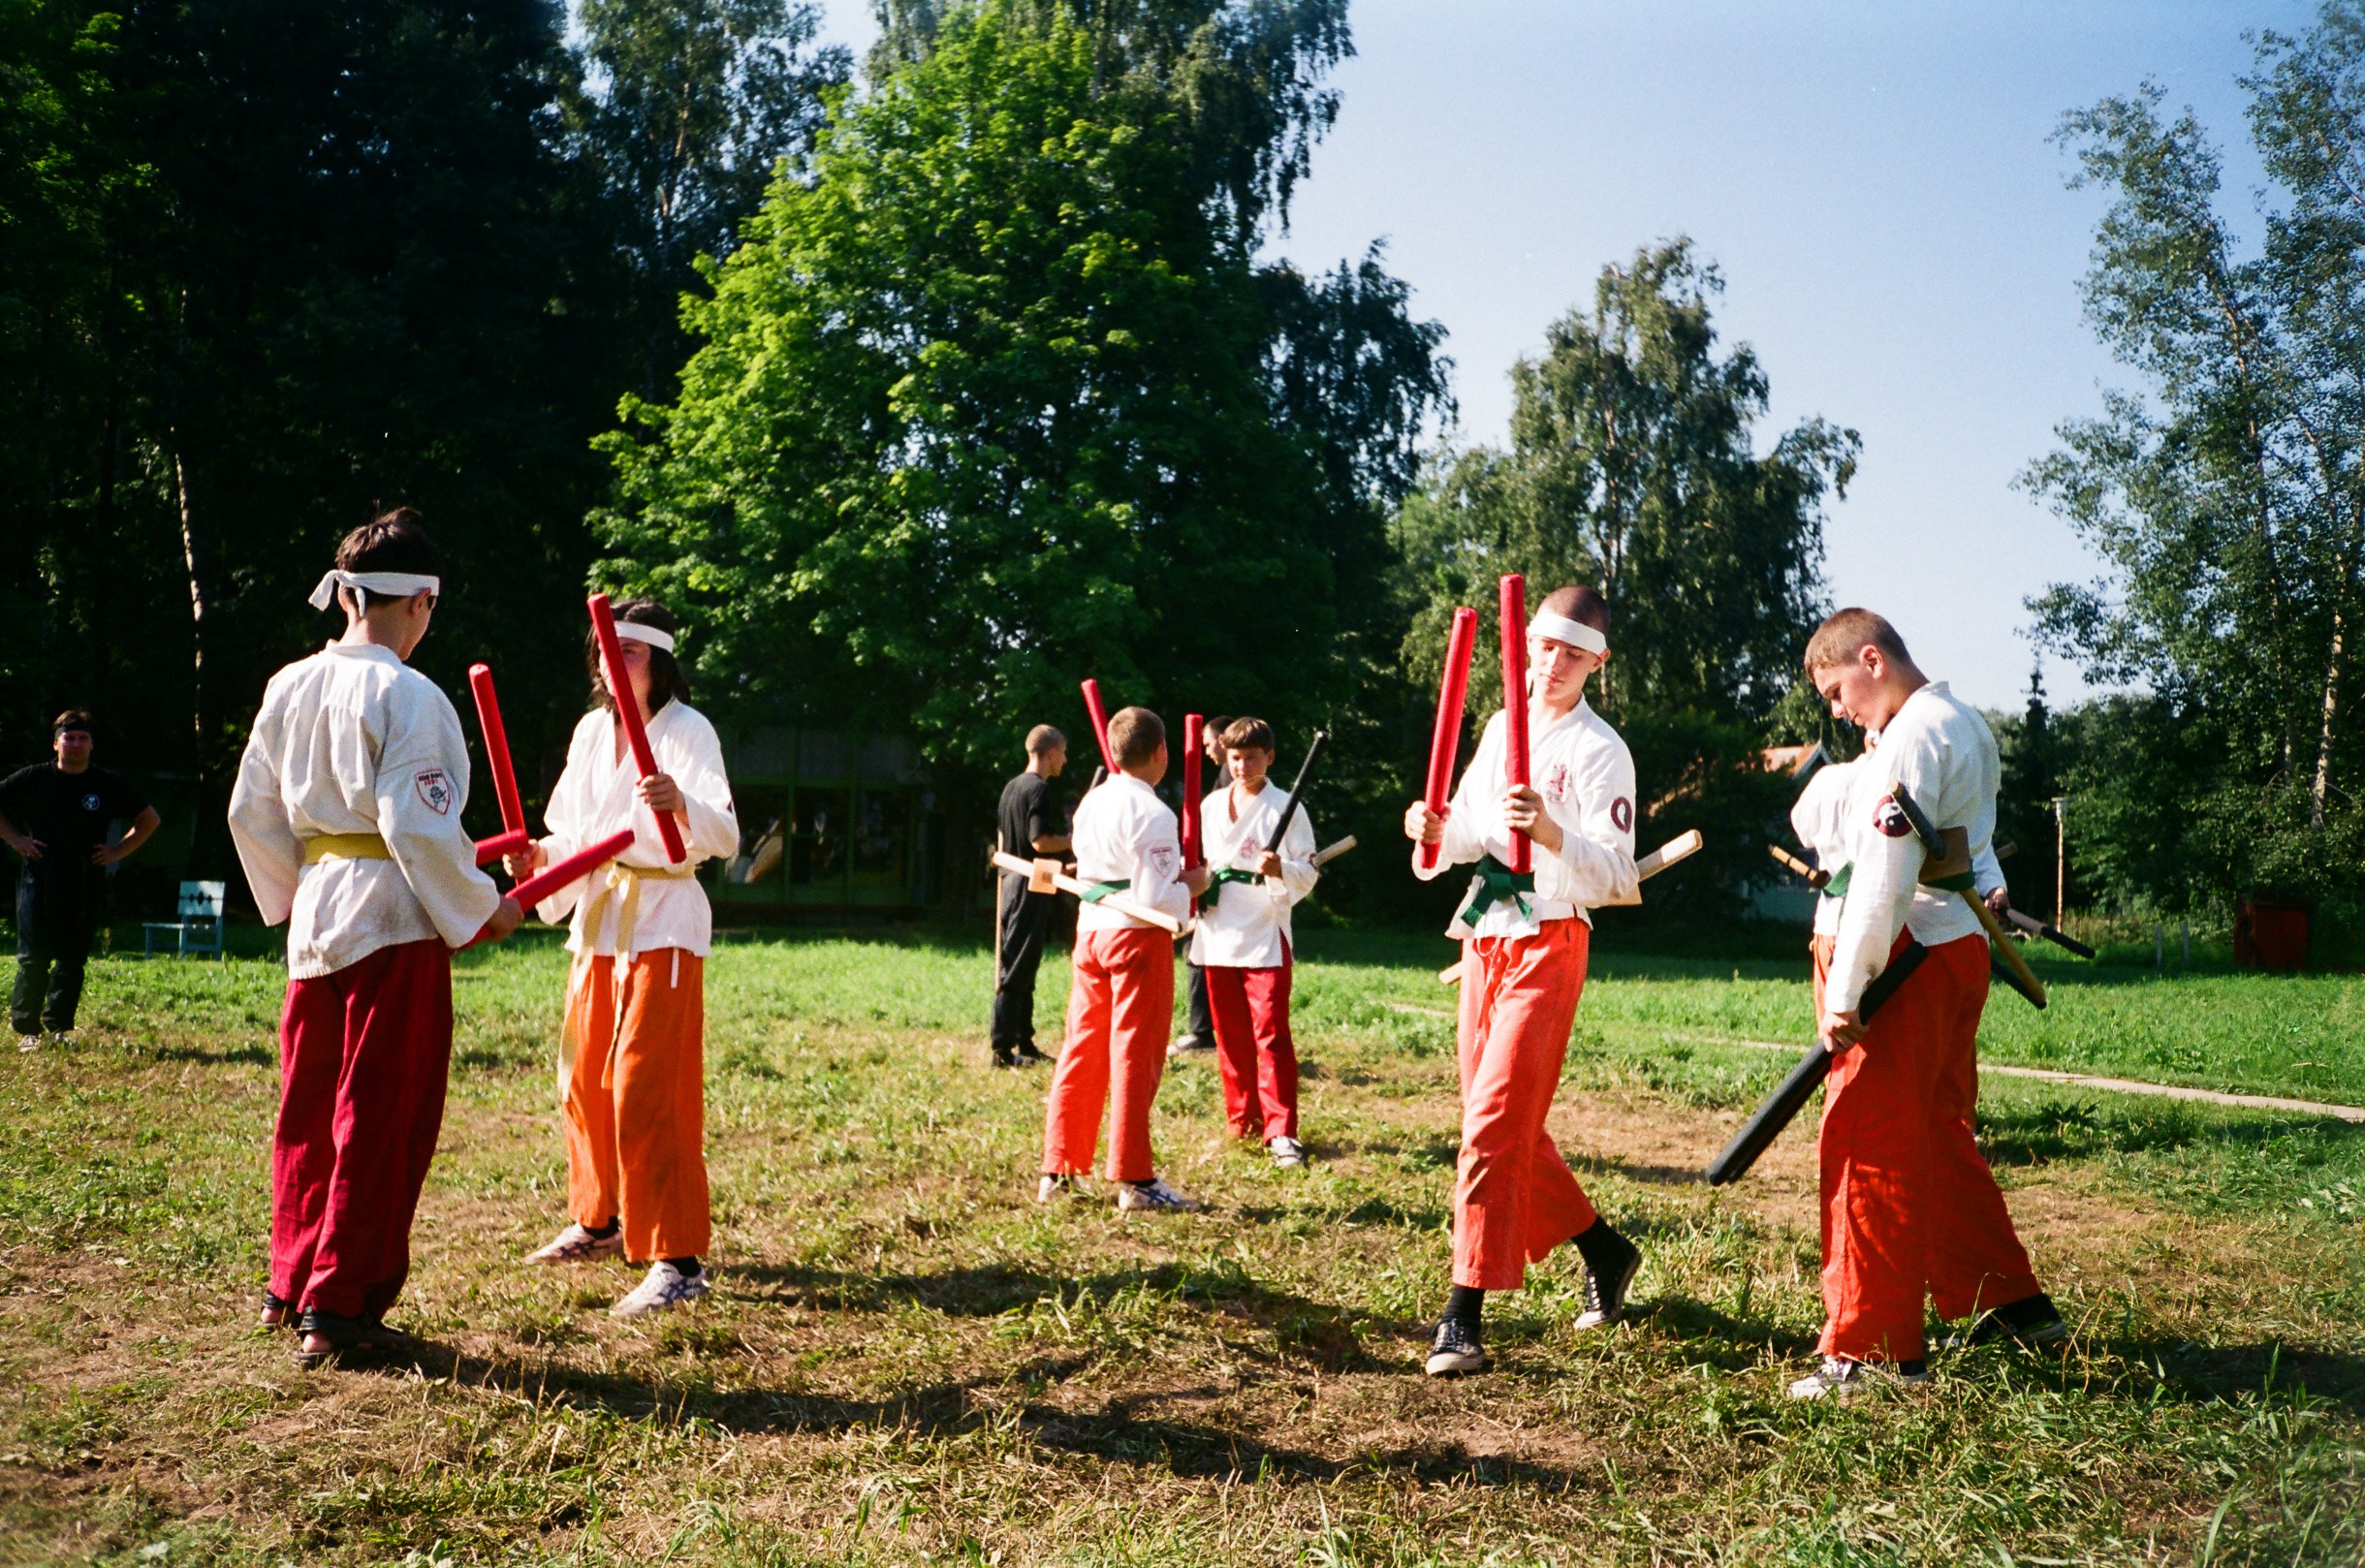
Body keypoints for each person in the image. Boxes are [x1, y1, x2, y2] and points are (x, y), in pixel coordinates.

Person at [227, 509, 523, 1364]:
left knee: (310, 1107)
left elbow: (251, 811)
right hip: (392, 920)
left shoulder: (288, 684)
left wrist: (294, 897)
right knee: (377, 1114)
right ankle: (341, 1303)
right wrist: (483, 908)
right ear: (422, 602)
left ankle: (292, 1281)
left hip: (319, 915)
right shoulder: (409, 694)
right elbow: (418, 827)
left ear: (349, 595)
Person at [1790, 608, 2065, 1400]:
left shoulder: (1913, 732)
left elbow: (1885, 869)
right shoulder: (1965, 722)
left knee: (1866, 1139)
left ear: (1871, 659)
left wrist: (1847, 988)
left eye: (1838, 689)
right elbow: (1970, 845)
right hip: (1955, 950)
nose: (1837, 711)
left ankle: (1871, 1351)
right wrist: (1986, 887)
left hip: (1901, 954)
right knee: (1938, 1136)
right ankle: (2004, 1301)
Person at [1403, 585, 1644, 1377]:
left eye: (1574, 653)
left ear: (1597, 663)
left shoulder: (1602, 750)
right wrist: (1432, 829)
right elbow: (1468, 834)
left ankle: (1464, 1312)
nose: (1554, 663)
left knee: (1494, 1125)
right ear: (1527, 646)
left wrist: (1549, 828)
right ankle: (1606, 1252)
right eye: (1545, 647)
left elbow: (1615, 875)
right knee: (1501, 1124)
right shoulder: (1503, 726)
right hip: (1485, 938)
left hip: (1552, 937)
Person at [511, 599, 739, 1318]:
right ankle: (599, 1220)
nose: (615, 663)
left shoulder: (689, 731)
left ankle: (677, 1258)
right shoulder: (589, 731)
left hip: (663, 922)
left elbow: (725, 833)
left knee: (648, 1086)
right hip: (599, 925)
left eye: (631, 651)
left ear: (659, 662)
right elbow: (570, 833)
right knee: (582, 1076)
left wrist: (680, 806)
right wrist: (536, 859)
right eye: (605, 652)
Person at [1038, 706, 1210, 1211]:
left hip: (1090, 933)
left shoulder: (1090, 802)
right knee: (1135, 1054)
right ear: (1160, 752)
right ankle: (1135, 1179)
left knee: (1082, 1049)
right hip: (1136, 936)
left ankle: (1059, 1169)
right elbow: (1155, 897)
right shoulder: (1155, 813)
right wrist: (1193, 884)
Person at [1188, 717, 1318, 1167]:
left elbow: (1310, 869)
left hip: (1264, 925)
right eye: (1236, 758)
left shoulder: (1287, 807)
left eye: (1253, 758)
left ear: (1270, 758)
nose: (1243, 767)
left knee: (1270, 1031)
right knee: (1229, 1031)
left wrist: (1281, 868)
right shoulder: (1208, 805)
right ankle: (1242, 1119)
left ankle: (1282, 1130)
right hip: (1219, 926)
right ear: (1226, 756)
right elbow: (1200, 862)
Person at [0, 712, 161, 1044]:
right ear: (56, 742)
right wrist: (16, 840)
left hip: (85, 877)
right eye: (68, 738)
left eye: (82, 738)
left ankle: (58, 1027)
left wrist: (118, 851)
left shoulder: (106, 783)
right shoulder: (33, 778)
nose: (75, 744)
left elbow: (149, 819)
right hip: (39, 876)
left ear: (91, 744)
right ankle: (28, 1030)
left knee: (72, 958)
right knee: (34, 957)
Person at [991, 724, 1070, 1069]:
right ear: (1050, 753)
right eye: (1063, 753)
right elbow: (1039, 842)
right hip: (1029, 884)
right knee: (1019, 967)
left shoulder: (1012, 787)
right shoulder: (1039, 789)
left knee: (1024, 963)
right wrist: (1073, 838)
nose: (1065, 761)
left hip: (1012, 883)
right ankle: (1003, 1050)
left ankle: (1024, 1040)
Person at [1170, 715, 1231, 1057]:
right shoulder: (1227, 779)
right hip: (1211, 874)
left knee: (1197, 953)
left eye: (1207, 744)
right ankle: (1209, 1029)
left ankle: (1203, 1031)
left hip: (1216, 878)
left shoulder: (1227, 781)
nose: (1206, 751)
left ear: (1222, 739)